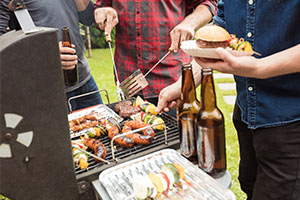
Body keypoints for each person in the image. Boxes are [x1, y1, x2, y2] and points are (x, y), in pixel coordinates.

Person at [157, 0, 300, 199]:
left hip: (290, 121)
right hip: (246, 115)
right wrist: (182, 85)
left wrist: (261, 68)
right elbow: (221, 28)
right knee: (249, 186)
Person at [94, 0, 217, 108]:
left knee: (179, 133)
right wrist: (104, 13)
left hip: (173, 79)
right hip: (129, 78)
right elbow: (100, 8)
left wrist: (190, 23)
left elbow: (209, 4)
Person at [0, 0, 103, 112]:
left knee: (105, 127)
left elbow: (88, 18)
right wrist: (46, 52)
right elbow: (3, 42)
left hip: (85, 80)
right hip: (46, 89)